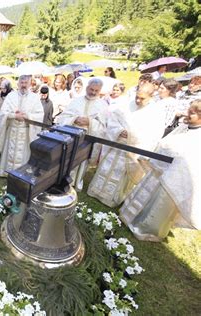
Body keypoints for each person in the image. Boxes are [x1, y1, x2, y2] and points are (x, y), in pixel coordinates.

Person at [120, 100, 201, 241]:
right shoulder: (184, 126)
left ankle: (145, 229)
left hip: (173, 179)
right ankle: (129, 216)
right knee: (145, 195)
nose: (188, 114)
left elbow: (190, 161)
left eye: (193, 113)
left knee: (157, 205)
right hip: (158, 170)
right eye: (189, 110)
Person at [87, 84, 165, 207]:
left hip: (132, 151)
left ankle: (112, 199)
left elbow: (153, 135)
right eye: (137, 97)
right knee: (106, 168)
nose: (138, 100)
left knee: (121, 173)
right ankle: (97, 192)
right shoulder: (126, 105)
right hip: (116, 143)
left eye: (142, 98)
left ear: (151, 96)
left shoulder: (155, 113)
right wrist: (118, 130)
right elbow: (113, 120)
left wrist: (130, 135)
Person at [56, 78, 108, 191]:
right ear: (87, 87)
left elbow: (103, 127)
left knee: (82, 160)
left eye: (96, 90)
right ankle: (63, 179)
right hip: (71, 136)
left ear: (100, 91)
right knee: (68, 159)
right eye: (91, 89)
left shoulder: (103, 105)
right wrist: (74, 119)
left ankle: (77, 181)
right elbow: (63, 117)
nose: (93, 92)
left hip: (87, 139)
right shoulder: (76, 101)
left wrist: (90, 122)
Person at [0, 75, 44, 177]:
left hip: (25, 131)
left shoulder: (35, 98)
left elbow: (39, 115)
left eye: (26, 83)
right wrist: (14, 115)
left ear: (30, 84)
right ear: (18, 83)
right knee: (10, 151)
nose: (24, 85)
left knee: (23, 155)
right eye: (22, 83)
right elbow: (3, 113)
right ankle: (6, 172)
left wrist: (27, 116)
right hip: (12, 129)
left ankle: (21, 174)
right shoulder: (11, 96)